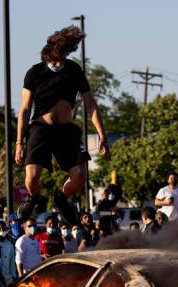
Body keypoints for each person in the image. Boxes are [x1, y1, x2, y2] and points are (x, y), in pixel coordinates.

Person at [15, 25, 109, 226]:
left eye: (63, 58)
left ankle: (61, 198)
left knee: (80, 176)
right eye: (55, 59)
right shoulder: (34, 73)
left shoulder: (74, 70)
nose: (59, 63)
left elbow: (91, 104)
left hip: (66, 131)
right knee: (32, 177)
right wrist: (19, 143)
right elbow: (24, 109)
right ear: (48, 55)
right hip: (41, 129)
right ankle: (33, 197)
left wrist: (102, 136)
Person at [0, 220, 17, 286]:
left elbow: (12, 262)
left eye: (3, 228)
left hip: (8, 279)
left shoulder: (9, 245)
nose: (2, 230)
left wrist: (13, 276)